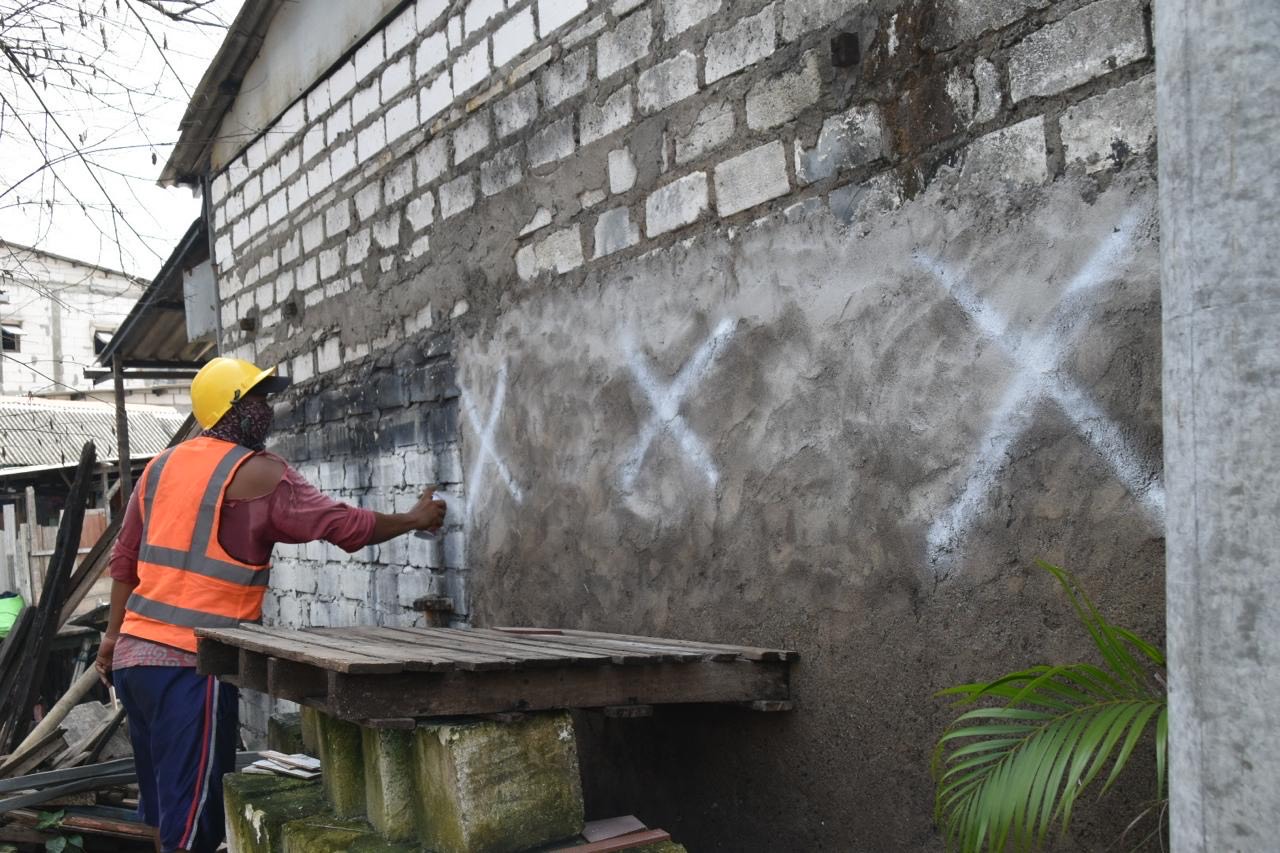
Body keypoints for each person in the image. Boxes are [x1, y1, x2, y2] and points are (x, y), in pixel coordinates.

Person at [94, 356, 445, 853]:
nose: (268, 408)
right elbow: (343, 526)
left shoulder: (159, 467)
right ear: (232, 409)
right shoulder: (259, 473)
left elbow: (124, 562)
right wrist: (413, 519)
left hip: (135, 664)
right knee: (193, 827)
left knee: (161, 812)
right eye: (257, 399)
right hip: (192, 666)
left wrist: (111, 639)